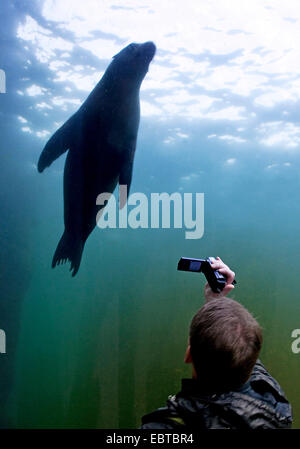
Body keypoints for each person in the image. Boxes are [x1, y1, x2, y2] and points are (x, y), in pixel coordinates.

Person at [141, 257, 292, 429]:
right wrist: (216, 302)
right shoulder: (273, 402)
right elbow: (242, 348)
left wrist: (216, 302)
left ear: (188, 354)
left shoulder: (165, 428)